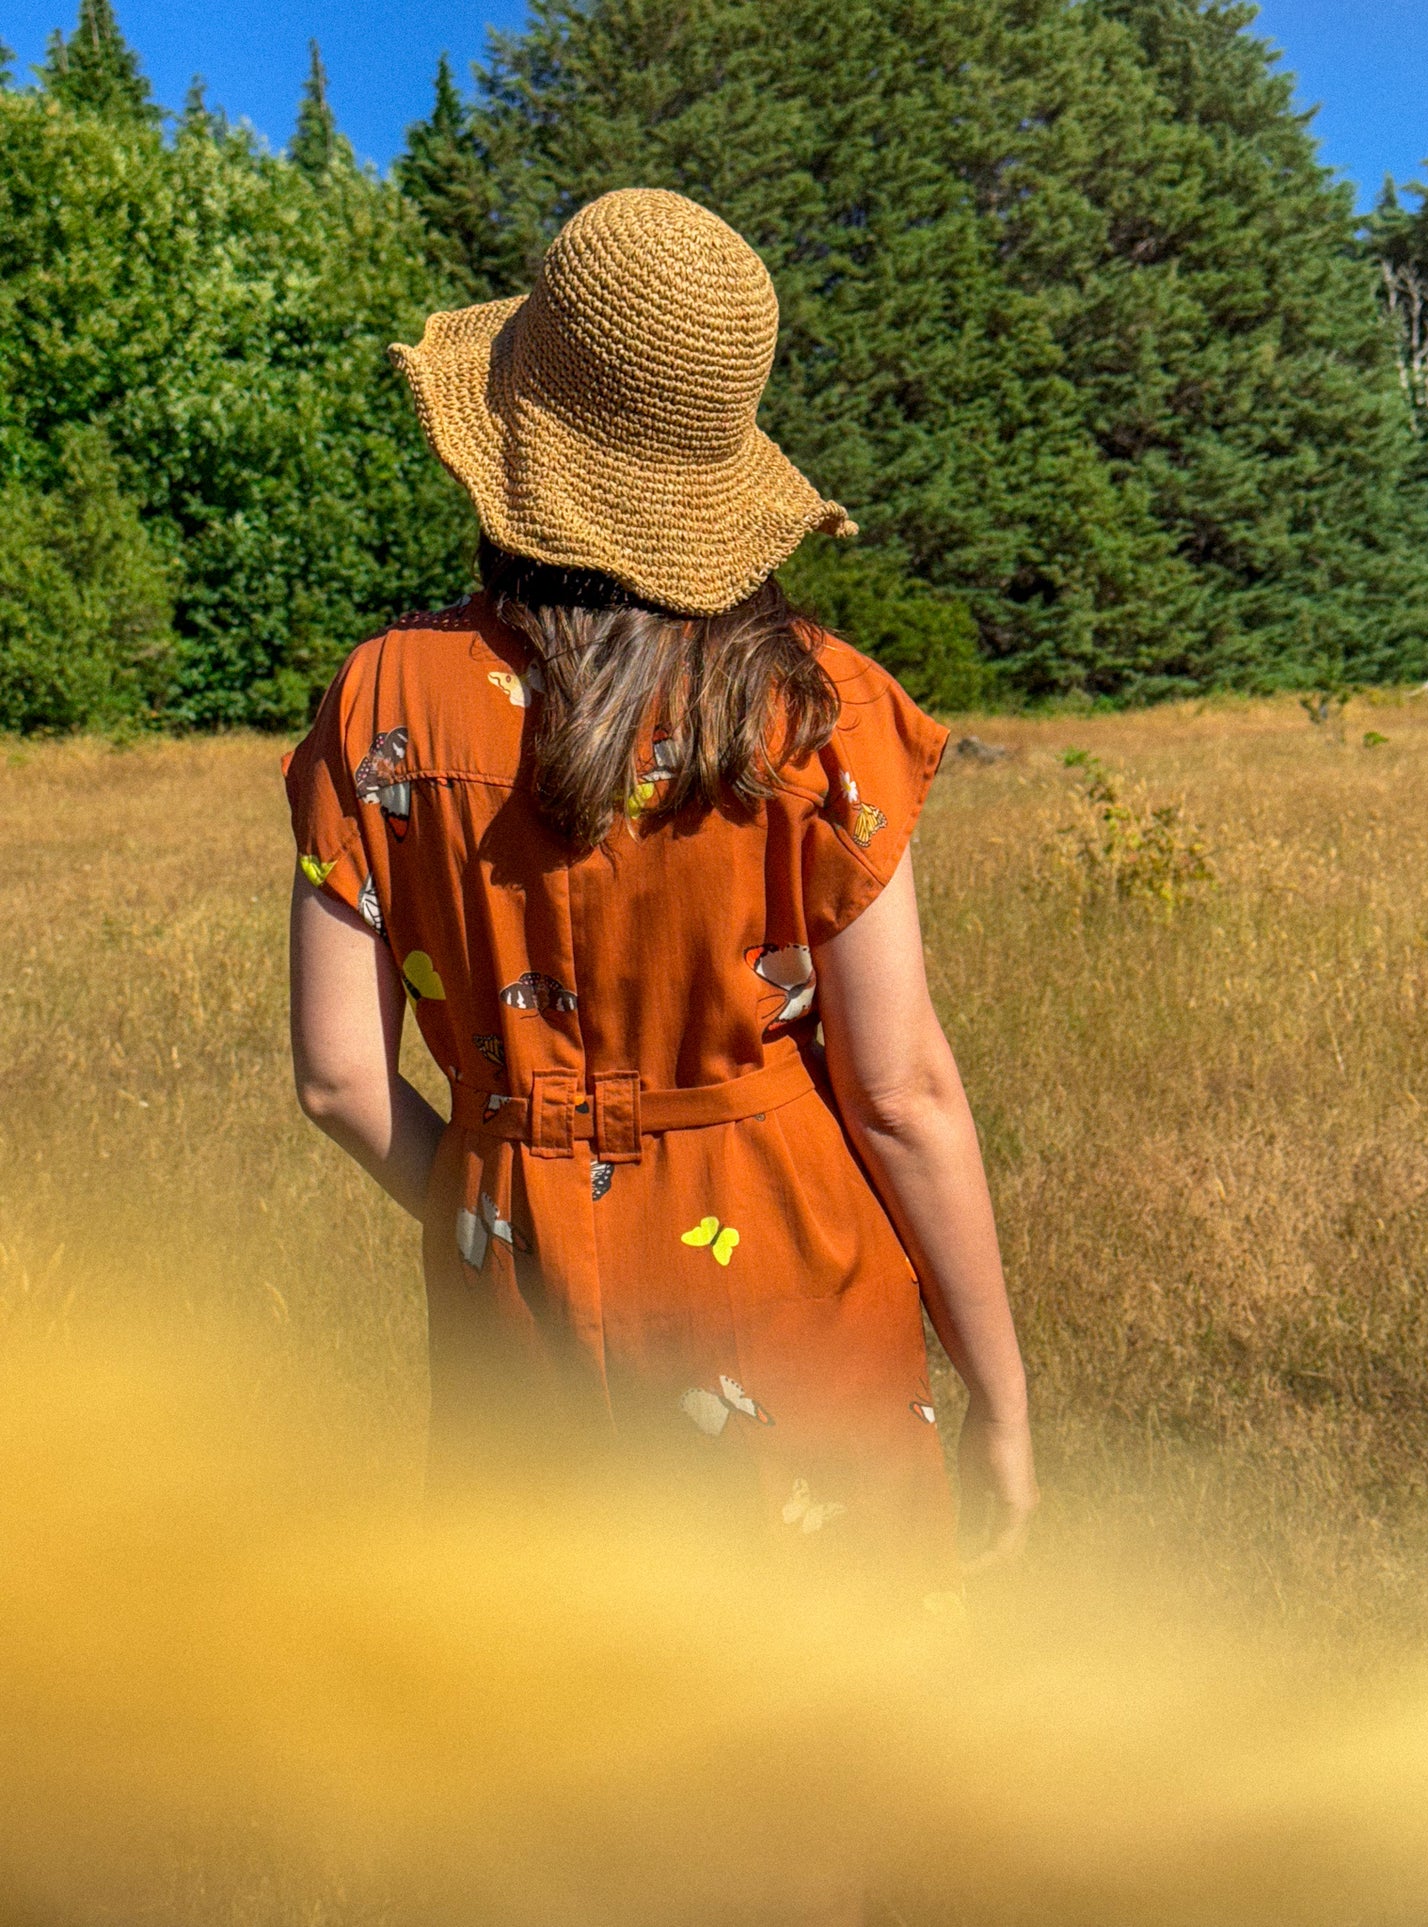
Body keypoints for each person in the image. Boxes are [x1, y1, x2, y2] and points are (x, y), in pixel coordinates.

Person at [285, 187, 1036, 1595]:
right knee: (837, 1720)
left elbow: (337, 1080)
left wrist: (493, 1198)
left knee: (569, 1720)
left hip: (514, 1284)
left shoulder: (383, 699)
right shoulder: (816, 707)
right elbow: (901, 1095)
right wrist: (999, 1392)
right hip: (791, 1274)